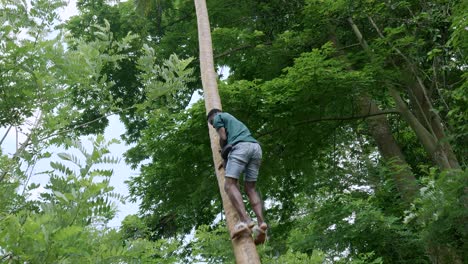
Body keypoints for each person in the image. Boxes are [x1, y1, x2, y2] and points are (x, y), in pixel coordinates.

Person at [207, 108, 268, 245]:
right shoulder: (235, 122)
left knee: (229, 185)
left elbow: (223, 137)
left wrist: (223, 151)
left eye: (212, 123)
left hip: (241, 148)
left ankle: (245, 221)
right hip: (256, 148)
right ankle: (261, 224)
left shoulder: (218, 117)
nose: (213, 125)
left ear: (213, 116)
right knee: (250, 188)